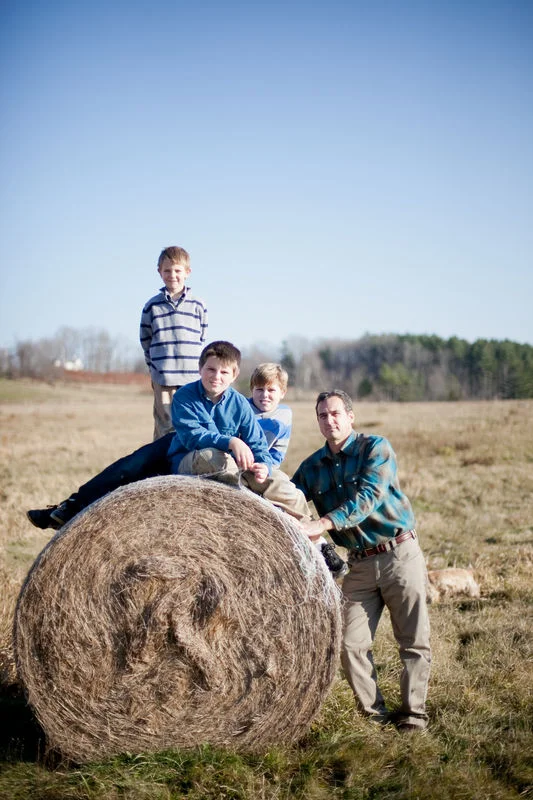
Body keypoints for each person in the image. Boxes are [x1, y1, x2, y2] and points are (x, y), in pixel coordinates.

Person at [27, 344, 347, 576]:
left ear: (234, 374)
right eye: (210, 369)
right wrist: (230, 440)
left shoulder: (239, 405)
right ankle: (67, 510)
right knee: (125, 469)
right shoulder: (185, 397)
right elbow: (194, 435)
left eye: (224, 372)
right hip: (182, 450)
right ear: (200, 369)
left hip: (232, 459)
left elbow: (256, 443)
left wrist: (262, 460)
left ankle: (319, 547)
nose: (216, 376)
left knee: (283, 486)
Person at [293, 390, 431, 732]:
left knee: (412, 639)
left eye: (336, 413)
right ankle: (376, 716)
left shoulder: (376, 448)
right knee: (347, 643)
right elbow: (289, 498)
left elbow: (368, 497)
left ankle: (414, 714)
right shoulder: (312, 467)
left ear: (351, 417)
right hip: (359, 564)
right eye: (323, 415)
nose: (330, 420)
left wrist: (323, 523)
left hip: (398, 552)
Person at [140, 245, 208, 440]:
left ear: (187, 272)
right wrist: (156, 368)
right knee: (165, 426)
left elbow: (201, 337)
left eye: (177, 270)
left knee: (192, 422)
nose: (172, 275)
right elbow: (146, 340)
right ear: (159, 272)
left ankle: (189, 466)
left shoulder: (198, 304)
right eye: (167, 270)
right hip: (164, 377)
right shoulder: (152, 306)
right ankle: (162, 467)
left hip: (191, 378)